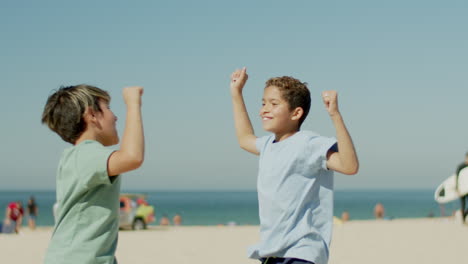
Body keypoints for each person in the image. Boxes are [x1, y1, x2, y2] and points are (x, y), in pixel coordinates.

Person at [230, 68, 359, 264]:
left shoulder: (307, 143)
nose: (265, 109)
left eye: (274, 104)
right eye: (263, 103)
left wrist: (335, 115)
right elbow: (244, 138)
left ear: (296, 113)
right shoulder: (267, 146)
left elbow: (349, 166)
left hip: (302, 251)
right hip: (272, 251)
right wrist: (236, 93)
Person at [41, 84, 144, 264]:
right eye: (109, 108)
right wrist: (133, 104)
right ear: (92, 115)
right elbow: (132, 157)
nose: (115, 117)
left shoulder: (79, 157)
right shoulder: (85, 154)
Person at [455, 152, 468, 223]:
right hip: (462, 189)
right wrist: (457, 188)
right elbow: (457, 178)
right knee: (463, 205)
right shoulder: (461, 166)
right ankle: (463, 220)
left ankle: (465, 215)